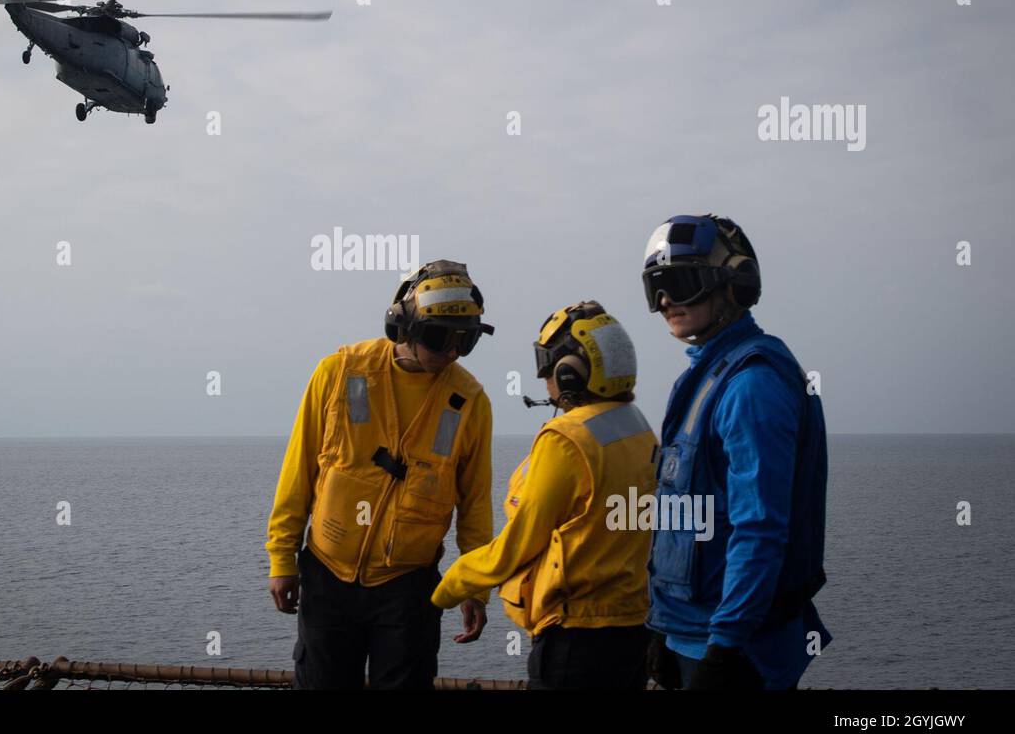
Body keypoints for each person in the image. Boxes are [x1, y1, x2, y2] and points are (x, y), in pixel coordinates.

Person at [266, 260, 495, 689]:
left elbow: (476, 505)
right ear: (402, 326)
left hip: (408, 588)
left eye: (465, 341)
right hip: (327, 576)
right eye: (440, 336)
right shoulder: (340, 373)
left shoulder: (469, 402)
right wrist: (282, 558)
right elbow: (298, 470)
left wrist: (476, 587)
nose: (451, 352)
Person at [641, 214, 831, 690]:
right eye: (655, 289)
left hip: (734, 647)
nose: (665, 303)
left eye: (680, 284)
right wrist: (662, 632)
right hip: (690, 634)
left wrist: (724, 647)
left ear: (734, 284)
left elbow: (760, 527)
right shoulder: (709, 374)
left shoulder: (752, 386)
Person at [432, 301, 657, 689]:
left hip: (576, 636)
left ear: (570, 371)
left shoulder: (567, 439)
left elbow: (516, 547)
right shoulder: (637, 427)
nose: (543, 377)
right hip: (634, 627)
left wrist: (447, 588)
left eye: (546, 363)